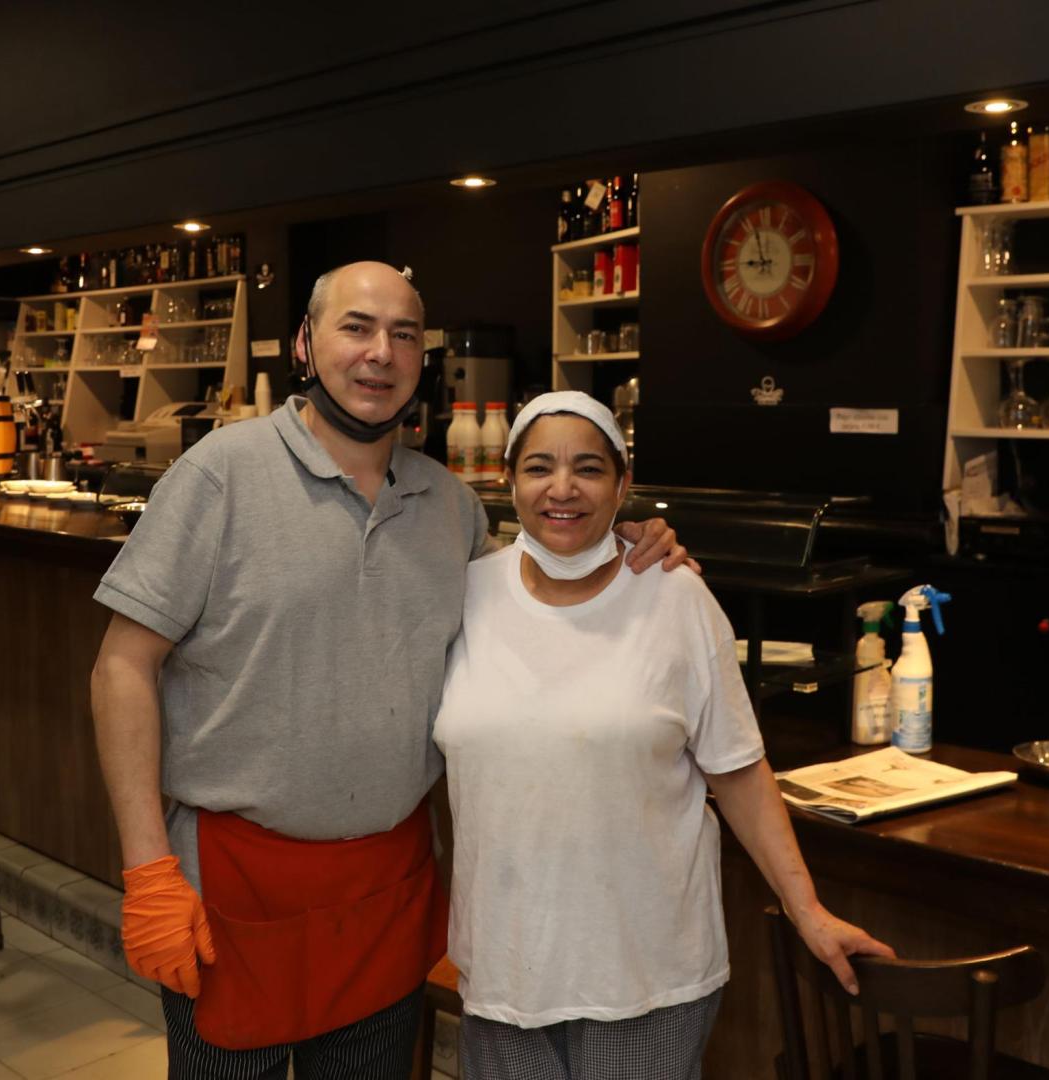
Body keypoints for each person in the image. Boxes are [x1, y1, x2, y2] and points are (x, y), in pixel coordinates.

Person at [89, 262, 687, 1079]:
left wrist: (628, 548)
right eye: (357, 328)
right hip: (234, 889)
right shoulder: (220, 475)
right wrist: (148, 871)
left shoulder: (450, 506)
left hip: (387, 891)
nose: (381, 353)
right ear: (305, 344)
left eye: (404, 335)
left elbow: (539, 603)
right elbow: (121, 666)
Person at [433, 392, 893, 1080]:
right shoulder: (465, 596)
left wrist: (809, 912)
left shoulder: (677, 598)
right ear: (509, 480)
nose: (563, 488)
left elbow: (739, 772)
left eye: (589, 468)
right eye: (539, 467)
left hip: (644, 978)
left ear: (623, 486)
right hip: (503, 974)